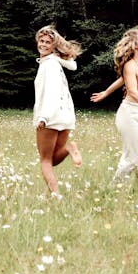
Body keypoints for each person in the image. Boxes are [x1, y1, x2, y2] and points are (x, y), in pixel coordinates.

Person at [91, 26, 138, 183]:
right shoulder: (130, 65)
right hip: (130, 113)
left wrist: (106, 92)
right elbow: (132, 91)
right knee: (131, 157)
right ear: (133, 45)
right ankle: (114, 188)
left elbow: (122, 80)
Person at [33, 25, 83, 198]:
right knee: (52, 159)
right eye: (42, 41)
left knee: (45, 160)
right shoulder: (55, 63)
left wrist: (43, 117)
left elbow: (52, 93)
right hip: (65, 116)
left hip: (51, 116)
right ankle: (69, 148)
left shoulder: (49, 66)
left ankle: (56, 195)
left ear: (54, 46)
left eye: (48, 42)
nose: (44, 44)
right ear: (37, 41)